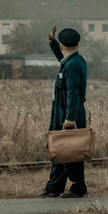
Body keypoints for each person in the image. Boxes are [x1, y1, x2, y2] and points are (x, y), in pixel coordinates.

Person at [39, 26, 88, 198]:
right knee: (59, 149)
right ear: (78, 44)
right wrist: (53, 42)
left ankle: (78, 187)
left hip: (68, 113)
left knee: (71, 151)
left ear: (63, 46)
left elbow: (72, 92)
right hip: (64, 111)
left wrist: (69, 118)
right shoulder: (74, 60)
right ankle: (54, 186)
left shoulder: (72, 66)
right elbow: (63, 57)